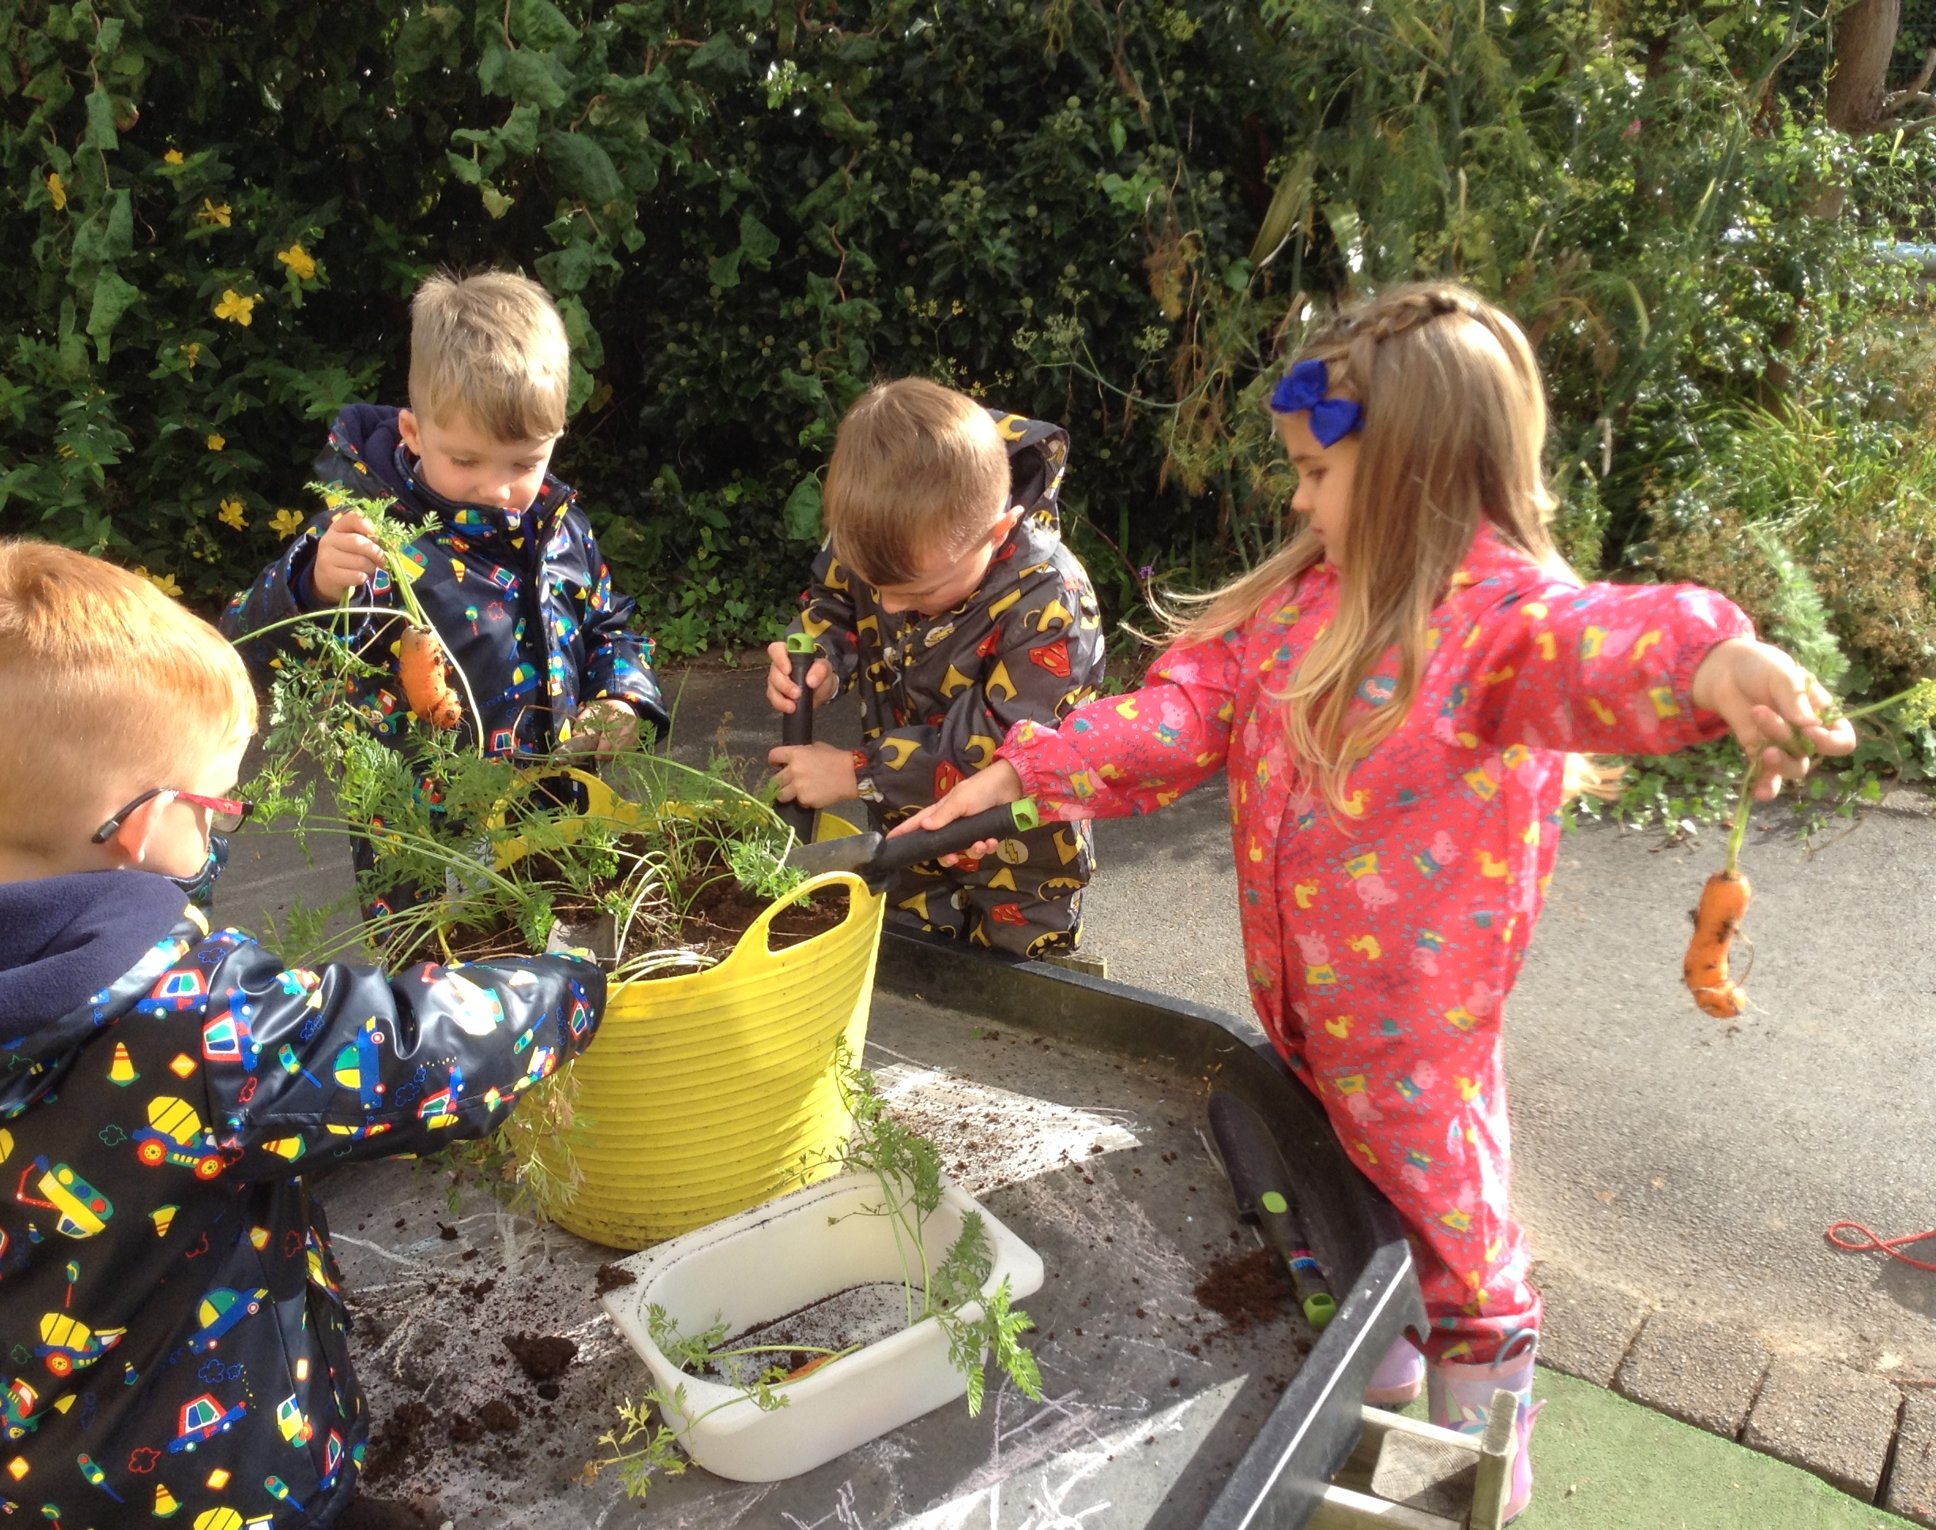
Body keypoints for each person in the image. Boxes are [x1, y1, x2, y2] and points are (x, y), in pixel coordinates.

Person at [888, 283, 1856, 1520]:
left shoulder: (1495, 634)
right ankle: (1372, 1364)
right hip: (1299, 1008)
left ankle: (1479, 1438)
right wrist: (1026, 771)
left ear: (1412, 477)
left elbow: (1601, 642)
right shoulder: (1296, 610)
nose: (1294, 499)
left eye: (1313, 473)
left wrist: (1711, 659)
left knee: (1450, 1230)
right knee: (1326, 1189)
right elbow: (1176, 719)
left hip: (1413, 1035)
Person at [0, 540, 606, 1530]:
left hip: (25, 1477)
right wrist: (566, 984)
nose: (230, 826)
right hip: (220, 1478)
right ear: (143, 829)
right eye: (222, 807)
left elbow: (109, 919)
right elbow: (410, 1048)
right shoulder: (196, 1025)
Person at [220, 269, 669, 913]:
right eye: (465, 461)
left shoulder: (560, 526)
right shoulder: (361, 537)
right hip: (424, 856)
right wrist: (312, 584)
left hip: (565, 830)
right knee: (446, 1004)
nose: (497, 486)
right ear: (412, 433)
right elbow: (239, 653)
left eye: (523, 463)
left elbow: (610, 627)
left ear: (556, 439)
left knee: (563, 982)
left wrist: (623, 697)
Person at [765, 377, 1106, 957]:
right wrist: (819, 653)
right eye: (878, 586)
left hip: (1019, 850)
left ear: (997, 531)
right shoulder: (884, 537)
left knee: (1014, 984)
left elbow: (1003, 744)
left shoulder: (1051, 605)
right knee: (916, 965)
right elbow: (834, 599)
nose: (891, 607)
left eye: (917, 591)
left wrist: (856, 771)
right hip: (904, 831)